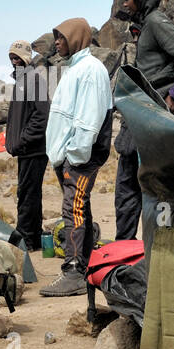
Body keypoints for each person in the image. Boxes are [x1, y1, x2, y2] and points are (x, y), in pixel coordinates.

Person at [111, 0, 174, 241]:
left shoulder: (156, 23)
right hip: (139, 115)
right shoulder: (143, 28)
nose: (124, 4)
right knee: (127, 185)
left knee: (147, 187)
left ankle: (153, 249)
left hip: (153, 116)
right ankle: (125, 249)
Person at [41, 18, 112, 297]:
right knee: (79, 207)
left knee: (73, 208)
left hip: (81, 157)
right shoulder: (74, 69)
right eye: (56, 37)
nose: (57, 42)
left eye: (62, 37)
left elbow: (88, 120)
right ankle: (83, 264)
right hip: (68, 157)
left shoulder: (91, 70)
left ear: (77, 38)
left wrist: (76, 155)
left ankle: (73, 271)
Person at [4, 39, 51, 259]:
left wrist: (23, 139)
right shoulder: (23, 81)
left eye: (17, 57)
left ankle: (26, 238)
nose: (14, 61)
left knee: (27, 195)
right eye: (11, 57)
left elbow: (42, 116)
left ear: (26, 58)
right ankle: (33, 237)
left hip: (34, 149)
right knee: (29, 194)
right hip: (27, 150)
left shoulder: (33, 80)